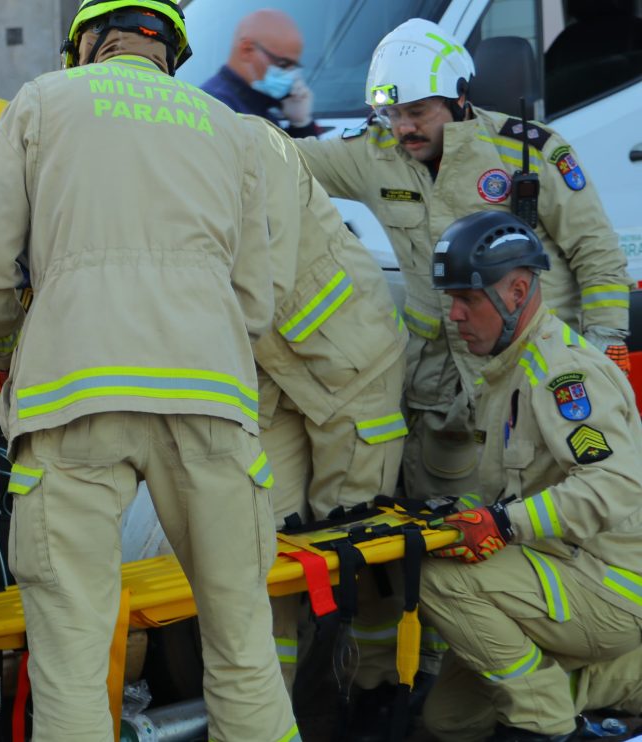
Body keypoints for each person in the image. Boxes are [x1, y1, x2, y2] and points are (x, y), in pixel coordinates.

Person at [0, 1, 298, 739]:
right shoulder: (228, 128)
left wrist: (6, 347)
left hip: (72, 394)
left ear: (85, 39)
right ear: (169, 46)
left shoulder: (44, 101)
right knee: (242, 649)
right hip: (209, 396)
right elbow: (256, 303)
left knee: (72, 655)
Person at [294, 19, 631, 501]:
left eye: (417, 111)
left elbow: (597, 254)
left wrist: (603, 344)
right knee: (446, 525)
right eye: (391, 113)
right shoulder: (373, 156)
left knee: (551, 504)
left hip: (536, 369)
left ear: (457, 98)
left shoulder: (529, 152)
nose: (403, 127)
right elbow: (278, 156)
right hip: (439, 390)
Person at [417, 211, 642, 741]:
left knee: (442, 578)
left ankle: (548, 729)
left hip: (608, 587)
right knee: (450, 720)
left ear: (517, 291)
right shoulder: (504, 369)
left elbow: (617, 482)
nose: (454, 314)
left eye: (467, 298)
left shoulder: (564, 373)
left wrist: (503, 523)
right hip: (552, 573)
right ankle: (622, 681)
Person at [240, 115, 415, 707]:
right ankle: (272, 707)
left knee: (360, 550)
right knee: (267, 551)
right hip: (277, 376)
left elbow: (261, 269)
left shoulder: (249, 142)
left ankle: (372, 698)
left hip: (352, 366)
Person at [201, 9, 318, 137]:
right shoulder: (214, 108)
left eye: (294, 67)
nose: (292, 76)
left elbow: (289, 156)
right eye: (283, 64)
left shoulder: (261, 109)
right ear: (247, 50)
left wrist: (300, 124)